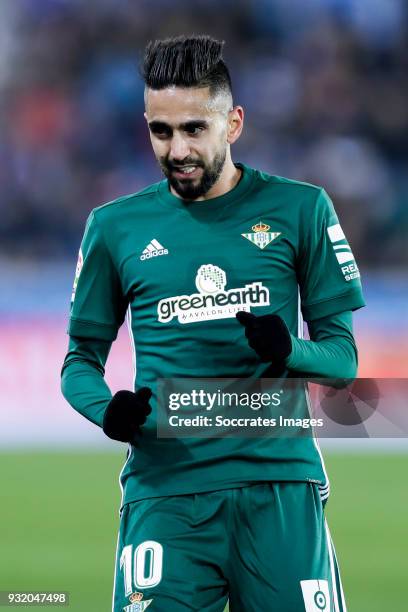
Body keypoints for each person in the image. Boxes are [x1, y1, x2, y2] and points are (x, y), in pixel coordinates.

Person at [61, 35, 364, 612]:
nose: (177, 149)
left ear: (234, 123)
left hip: (279, 485)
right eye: (161, 130)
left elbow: (343, 361)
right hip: (165, 492)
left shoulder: (301, 209)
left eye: (195, 129)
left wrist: (289, 350)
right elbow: (79, 362)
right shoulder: (114, 227)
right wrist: (108, 411)